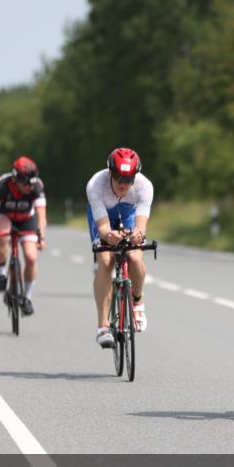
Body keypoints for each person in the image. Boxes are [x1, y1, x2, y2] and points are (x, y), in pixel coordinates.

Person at [85, 147, 154, 348]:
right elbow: (103, 228)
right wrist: (108, 235)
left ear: (135, 176)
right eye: (118, 178)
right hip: (103, 216)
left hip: (128, 213)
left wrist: (137, 235)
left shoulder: (144, 186)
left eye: (128, 179)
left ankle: (137, 301)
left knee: (135, 257)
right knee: (105, 261)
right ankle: (103, 327)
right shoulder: (95, 185)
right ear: (110, 173)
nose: (123, 184)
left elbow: (141, 227)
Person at [0, 157, 47, 316]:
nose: (29, 187)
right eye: (25, 184)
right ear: (15, 179)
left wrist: (41, 236)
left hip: (26, 219)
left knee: (31, 257)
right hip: (5, 217)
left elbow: (41, 215)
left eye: (31, 184)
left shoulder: (36, 186)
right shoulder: (2, 185)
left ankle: (27, 297)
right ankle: (1, 273)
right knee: (2, 235)